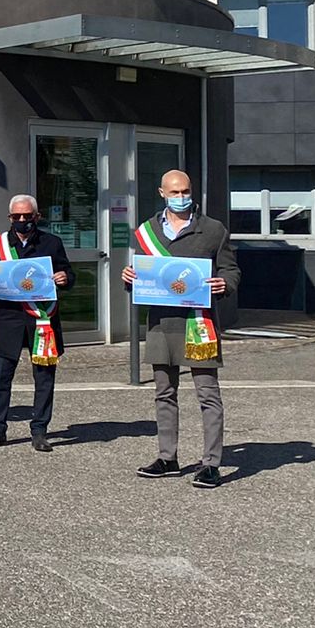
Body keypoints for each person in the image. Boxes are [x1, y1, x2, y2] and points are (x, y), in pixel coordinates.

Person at [126, 168, 239, 489]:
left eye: (185, 191)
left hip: (199, 324)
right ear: (162, 193)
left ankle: (211, 464)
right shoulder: (146, 232)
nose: (181, 198)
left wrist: (225, 284)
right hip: (162, 324)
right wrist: (129, 280)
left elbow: (231, 269)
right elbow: (142, 278)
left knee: (207, 394)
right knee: (164, 393)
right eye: (174, 192)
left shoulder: (214, 230)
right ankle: (167, 458)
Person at [0, 194, 73, 451]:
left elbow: (69, 275)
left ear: (37, 217)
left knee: (44, 378)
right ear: (9, 218)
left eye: (26, 216)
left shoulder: (52, 242)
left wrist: (64, 277)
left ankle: (39, 430)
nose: (21, 220)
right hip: (10, 318)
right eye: (16, 216)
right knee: (1, 377)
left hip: (43, 321)